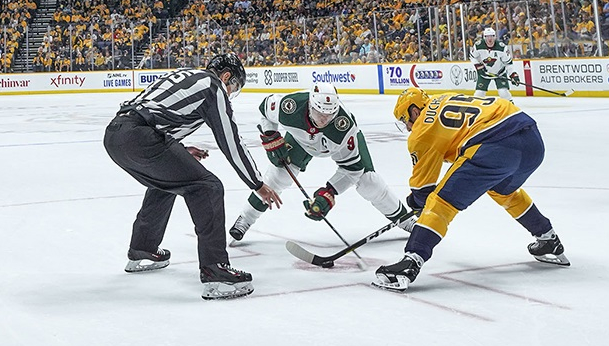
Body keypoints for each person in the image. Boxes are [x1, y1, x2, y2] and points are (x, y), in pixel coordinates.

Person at [102, 53, 277, 300]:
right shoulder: (213, 86)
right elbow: (231, 142)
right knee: (208, 187)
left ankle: (143, 249)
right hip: (141, 138)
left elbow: (156, 114)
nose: (230, 92)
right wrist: (257, 183)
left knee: (166, 183)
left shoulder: (185, 75)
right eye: (233, 86)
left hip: (115, 136)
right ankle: (216, 271)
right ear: (226, 76)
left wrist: (180, 151)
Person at [373, 88, 566, 292]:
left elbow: (423, 190)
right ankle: (547, 238)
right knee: (502, 191)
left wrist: (416, 204)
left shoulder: (421, 130)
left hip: (494, 145)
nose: (408, 127)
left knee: (441, 202)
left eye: (405, 121)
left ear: (414, 112)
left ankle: (410, 263)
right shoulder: (444, 97)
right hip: (531, 140)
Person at [228, 86, 413, 241]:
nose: (323, 120)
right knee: (278, 177)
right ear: (309, 105)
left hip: (338, 147)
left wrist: (330, 192)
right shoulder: (290, 106)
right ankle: (245, 219)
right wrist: (270, 135)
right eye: (319, 113)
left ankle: (406, 220)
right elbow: (265, 109)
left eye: (329, 114)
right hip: (301, 141)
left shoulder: (344, 127)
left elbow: (352, 169)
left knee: (369, 182)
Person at [470, 27, 513, 99]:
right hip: (485, 74)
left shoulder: (502, 47)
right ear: (484, 37)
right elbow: (473, 57)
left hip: (500, 73)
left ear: (495, 37)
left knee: (503, 93)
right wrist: (478, 67)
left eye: (492, 36)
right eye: (487, 36)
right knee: (479, 94)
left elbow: (508, 63)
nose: (490, 39)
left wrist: (513, 75)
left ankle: (511, 108)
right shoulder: (478, 45)